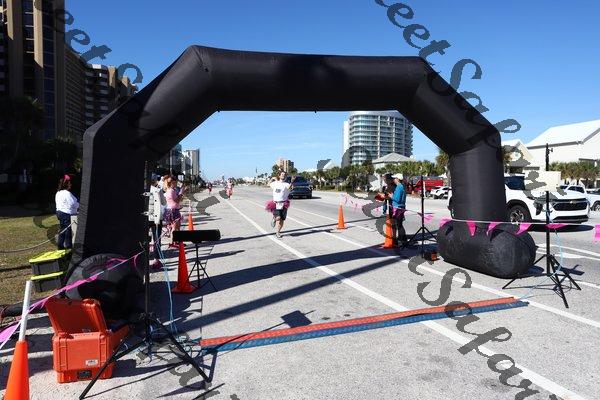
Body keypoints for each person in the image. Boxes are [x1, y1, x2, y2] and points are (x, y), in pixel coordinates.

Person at [55, 175, 79, 249]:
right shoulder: (67, 193)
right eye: (69, 183)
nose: (71, 185)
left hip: (59, 212)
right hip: (66, 213)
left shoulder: (58, 193)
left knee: (63, 229)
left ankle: (60, 245)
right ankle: (69, 246)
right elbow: (73, 203)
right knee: (68, 230)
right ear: (66, 184)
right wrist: (79, 205)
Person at [268, 171, 294, 238]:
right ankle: (274, 218)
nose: (283, 175)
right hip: (275, 203)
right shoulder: (275, 183)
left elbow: (290, 188)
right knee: (278, 218)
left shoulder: (286, 184)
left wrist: (292, 182)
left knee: (282, 220)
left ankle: (278, 232)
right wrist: (272, 178)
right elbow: (268, 184)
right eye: (282, 174)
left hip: (284, 204)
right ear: (279, 176)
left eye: (284, 175)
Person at [164, 176, 187, 248]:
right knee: (175, 228)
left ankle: (178, 241)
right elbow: (177, 200)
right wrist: (181, 192)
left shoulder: (172, 190)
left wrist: (181, 193)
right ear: (172, 182)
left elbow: (179, 200)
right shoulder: (171, 191)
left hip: (173, 210)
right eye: (176, 182)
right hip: (172, 211)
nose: (177, 184)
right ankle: (172, 242)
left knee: (178, 227)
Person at [150, 175, 167, 268]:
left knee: (144, 238)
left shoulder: (144, 190)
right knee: (156, 238)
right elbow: (164, 203)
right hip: (156, 218)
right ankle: (156, 259)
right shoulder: (157, 190)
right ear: (155, 181)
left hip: (146, 217)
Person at [389, 175, 407, 246]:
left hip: (398, 208)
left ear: (398, 179)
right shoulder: (401, 186)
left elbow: (397, 199)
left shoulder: (399, 187)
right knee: (399, 224)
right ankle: (403, 240)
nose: (393, 179)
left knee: (399, 225)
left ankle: (401, 241)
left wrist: (392, 196)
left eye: (395, 178)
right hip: (399, 207)